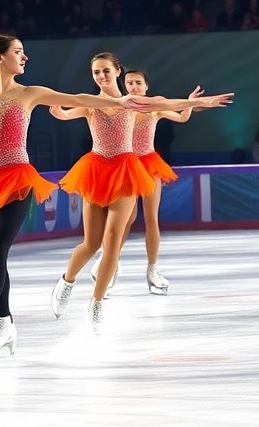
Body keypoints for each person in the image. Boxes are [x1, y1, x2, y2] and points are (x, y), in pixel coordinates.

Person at [0, 37, 222, 361]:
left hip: (20, 179)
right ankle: (7, 322)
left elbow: (91, 101)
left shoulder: (32, 93)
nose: (24, 56)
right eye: (18, 51)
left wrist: (182, 103)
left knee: (2, 252)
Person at [49, 52, 231, 332]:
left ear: (117, 72)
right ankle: (66, 282)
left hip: (125, 170)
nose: (101, 76)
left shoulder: (133, 103)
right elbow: (65, 110)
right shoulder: (90, 102)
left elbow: (168, 104)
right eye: (96, 72)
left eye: (106, 71)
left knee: (112, 240)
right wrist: (58, 111)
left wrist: (197, 103)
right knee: (91, 243)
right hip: (96, 170)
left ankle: (96, 302)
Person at [62, 70, 196, 296]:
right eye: (129, 83)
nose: (133, 86)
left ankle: (152, 269)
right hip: (126, 166)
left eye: (138, 83)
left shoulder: (154, 106)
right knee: (126, 220)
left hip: (148, 164)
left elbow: (181, 117)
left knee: (151, 217)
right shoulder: (123, 106)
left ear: (146, 85)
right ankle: (109, 261)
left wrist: (190, 103)